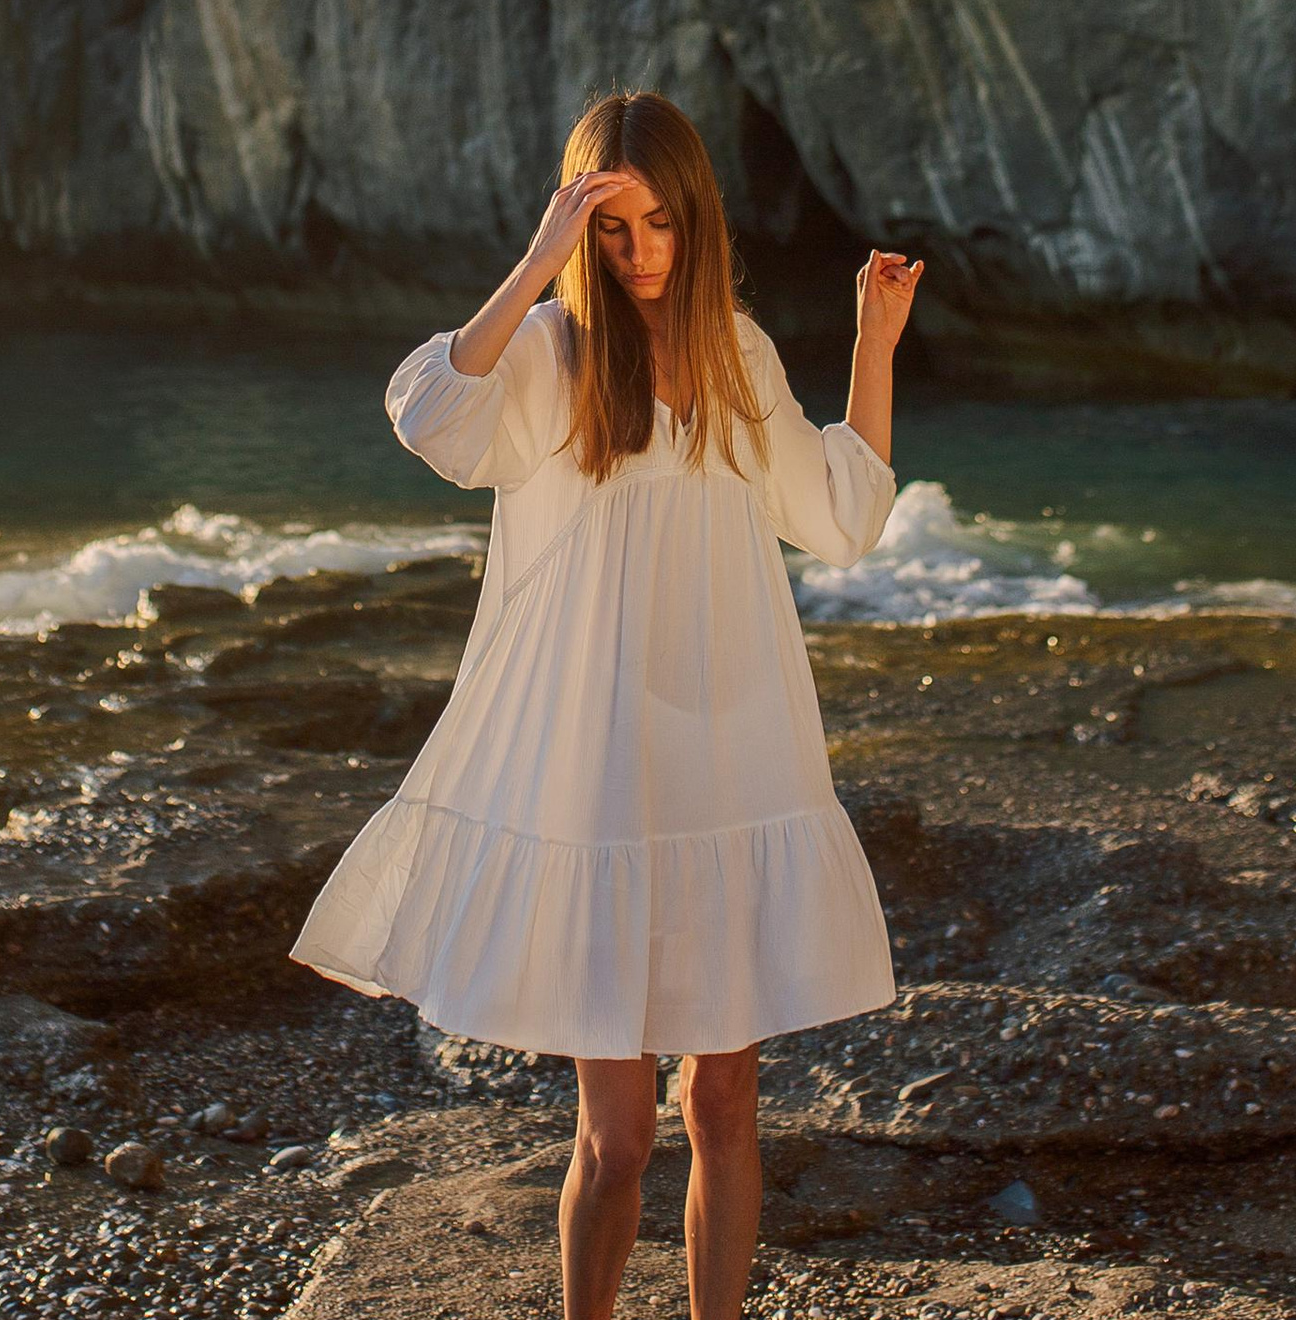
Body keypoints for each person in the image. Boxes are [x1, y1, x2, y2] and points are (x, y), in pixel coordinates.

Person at [290, 88, 921, 1320]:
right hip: (600, 772)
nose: (640, 256)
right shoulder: (552, 356)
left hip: (733, 753)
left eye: (658, 227)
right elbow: (427, 412)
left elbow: (841, 515)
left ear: (698, 220)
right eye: (612, 232)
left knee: (726, 1103)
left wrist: (876, 340)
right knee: (617, 1134)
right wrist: (536, 261)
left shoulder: (739, 355)